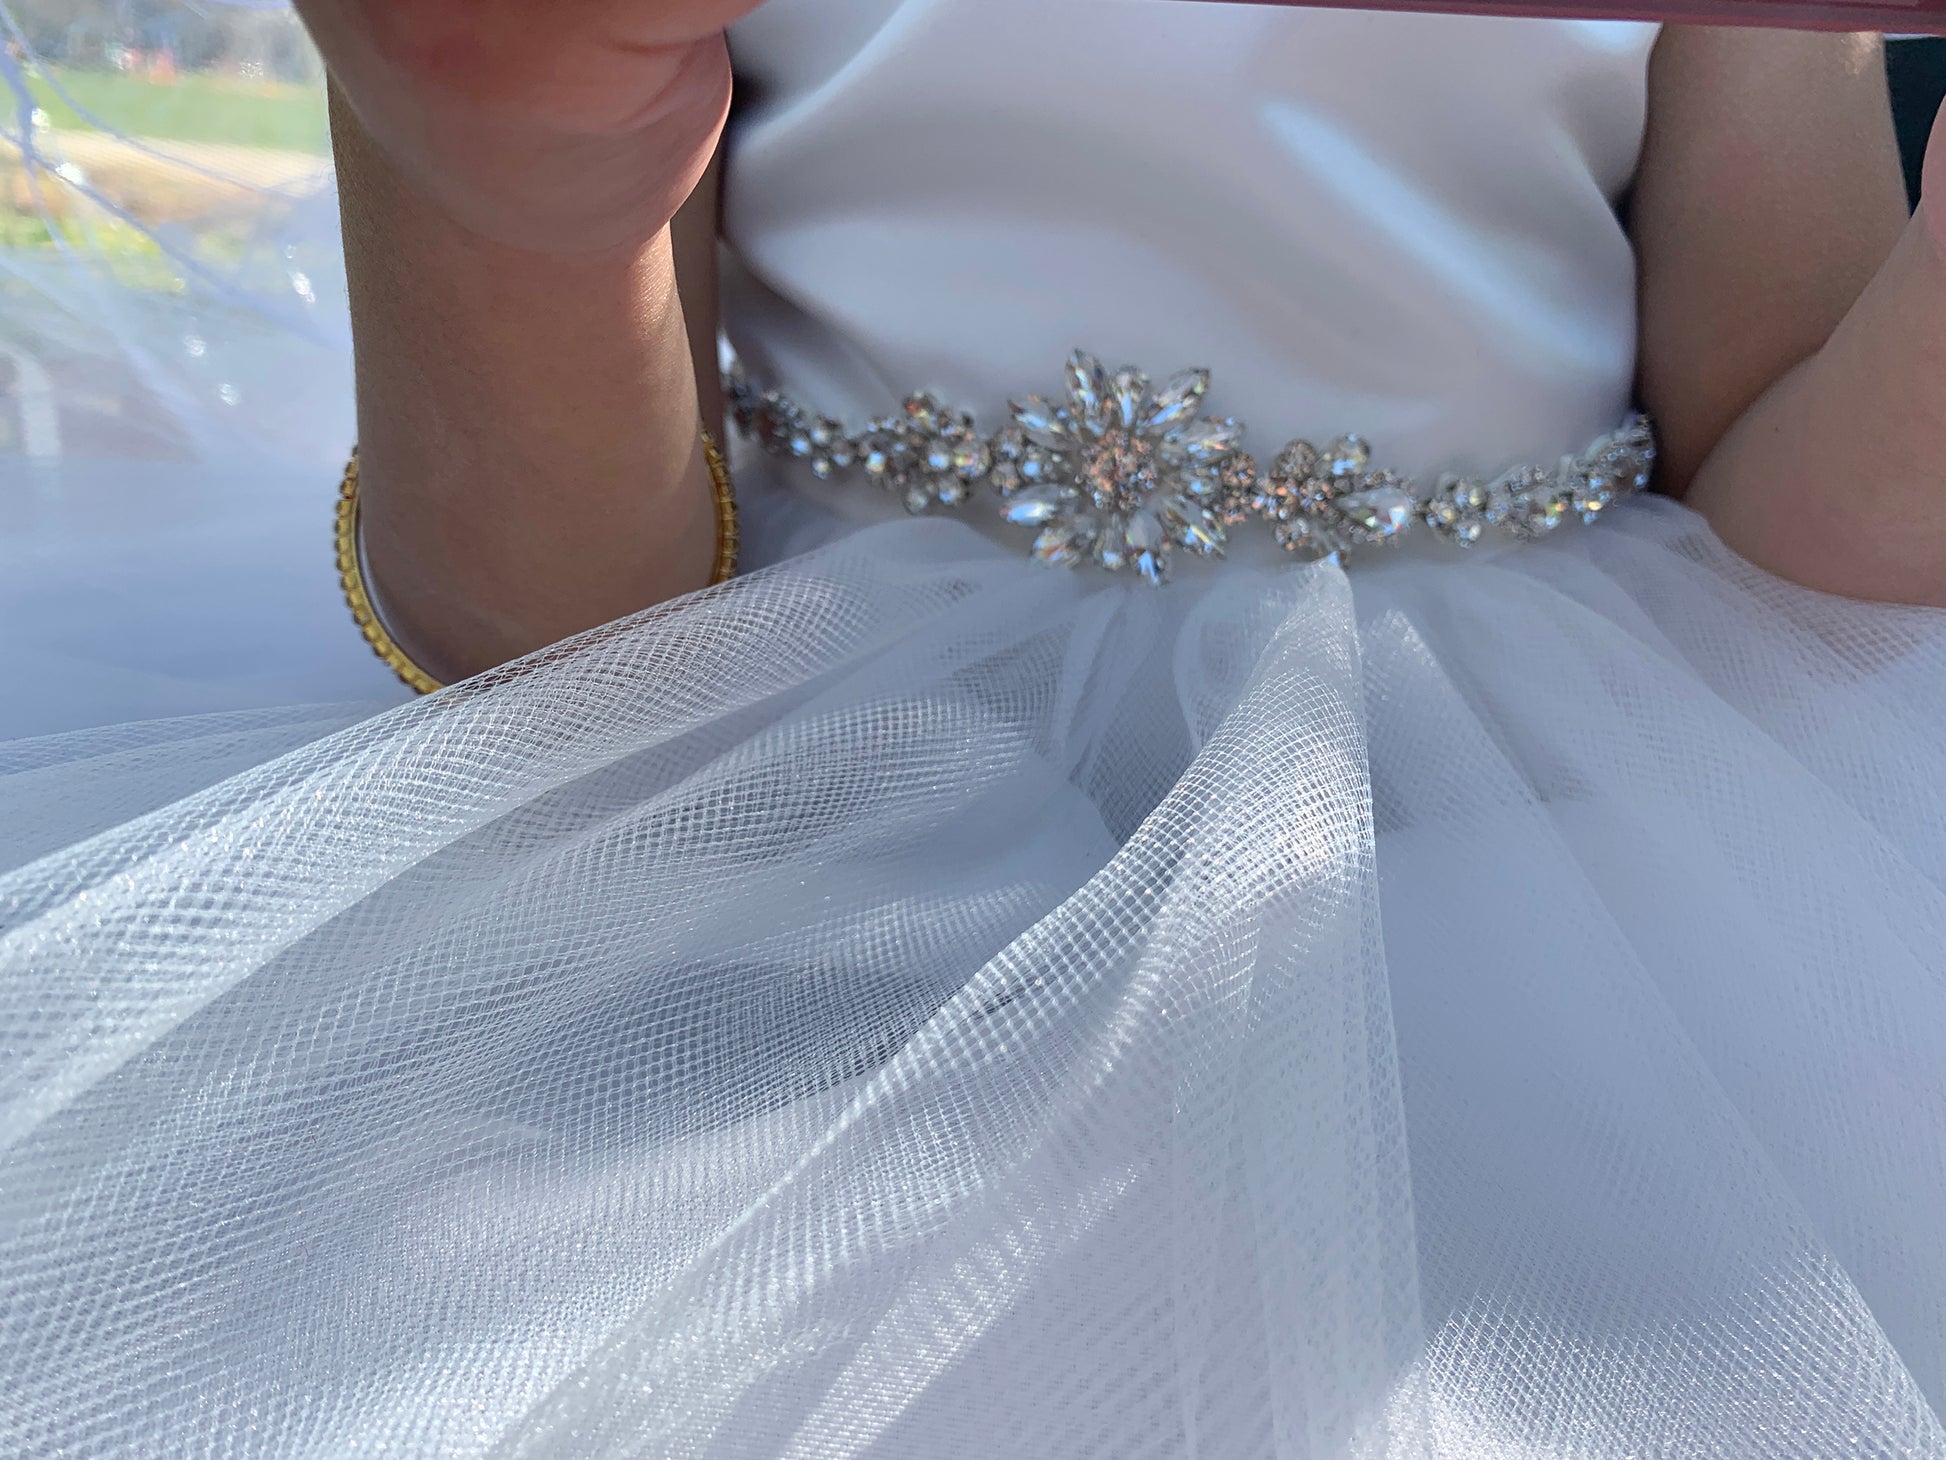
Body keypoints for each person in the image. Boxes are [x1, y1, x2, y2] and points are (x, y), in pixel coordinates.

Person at [1, 1, 1943, 1455]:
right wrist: (508, 196)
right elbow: (557, 629)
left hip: (1549, 829)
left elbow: (1777, 538)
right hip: (772, 793)